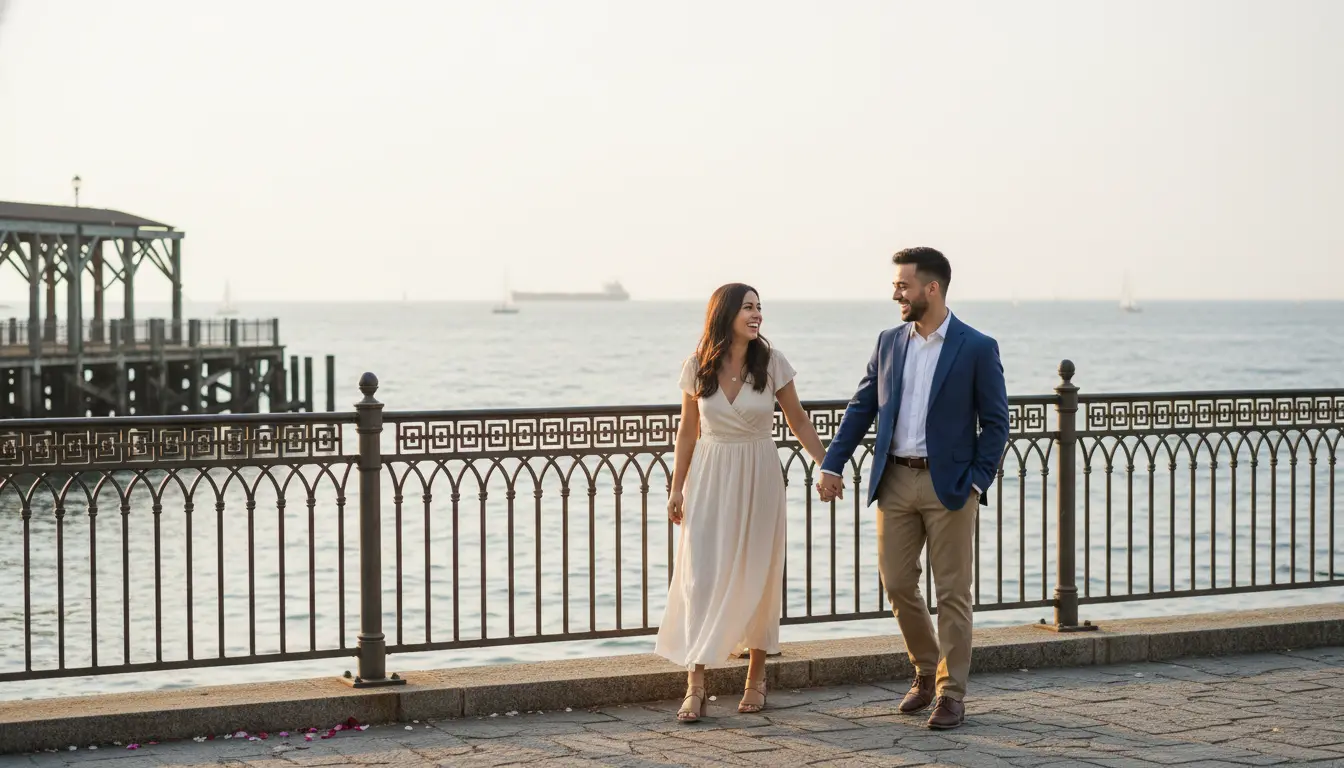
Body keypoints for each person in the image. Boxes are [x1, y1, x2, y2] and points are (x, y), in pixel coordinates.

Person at [816, 247, 1009, 730]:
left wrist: (977, 482)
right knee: (899, 584)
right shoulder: (888, 342)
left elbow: (997, 424)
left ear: (932, 288)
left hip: (951, 487)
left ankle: (950, 692)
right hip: (895, 480)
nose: (896, 293)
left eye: (903, 285)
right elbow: (861, 408)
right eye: (895, 285)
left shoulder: (977, 347)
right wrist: (832, 464)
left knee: (952, 594)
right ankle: (926, 670)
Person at [655, 282, 829, 723]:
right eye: (748, 307)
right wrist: (677, 487)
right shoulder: (698, 365)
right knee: (701, 575)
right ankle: (695, 683)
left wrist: (827, 464)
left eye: (759, 308)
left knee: (759, 572)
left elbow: (798, 420)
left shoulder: (770, 363)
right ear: (726, 312)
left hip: (759, 474)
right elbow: (687, 432)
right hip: (710, 477)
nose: (757, 315)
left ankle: (756, 678)